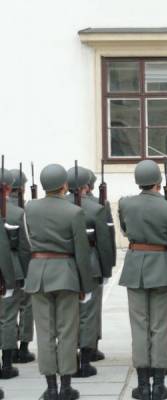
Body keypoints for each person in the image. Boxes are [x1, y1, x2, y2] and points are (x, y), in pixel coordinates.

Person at [24, 163, 95, 400]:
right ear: (64, 185)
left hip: (38, 273)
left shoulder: (30, 208)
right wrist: (86, 285)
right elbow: (81, 252)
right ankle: (66, 386)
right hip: (65, 274)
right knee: (67, 331)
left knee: (44, 332)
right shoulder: (74, 212)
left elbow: (27, 242)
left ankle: (51, 387)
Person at [118, 160, 167, 400]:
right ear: (158, 181)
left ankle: (141, 384)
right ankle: (158, 384)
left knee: (139, 326)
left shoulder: (125, 203)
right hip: (162, 269)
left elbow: (125, 230)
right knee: (160, 326)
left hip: (135, 268)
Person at [65, 167, 113, 378]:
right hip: (91, 264)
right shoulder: (95, 209)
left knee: (68, 315)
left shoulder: (60, 206)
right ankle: (85, 361)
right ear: (87, 185)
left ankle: (69, 359)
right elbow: (104, 243)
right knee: (88, 314)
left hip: (65, 265)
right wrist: (106, 268)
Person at [0, 169, 31, 379]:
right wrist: (27, 273)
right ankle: (7, 364)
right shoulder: (17, 213)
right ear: (8, 188)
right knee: (8, 317)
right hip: (10, 269)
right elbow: (24, 249)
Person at [86, 168, 116, 362]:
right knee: (91, 309)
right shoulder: (99, 205)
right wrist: (108, 267)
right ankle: (90, 347)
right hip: (92, 263)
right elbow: (107, 238)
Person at [7, 169, 35, 364]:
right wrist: (28, 271)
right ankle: (23, 348)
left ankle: (8, 351)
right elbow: (26, 246)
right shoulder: (21, 212)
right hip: (18, 267)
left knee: (6, 313)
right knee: (26, 306)